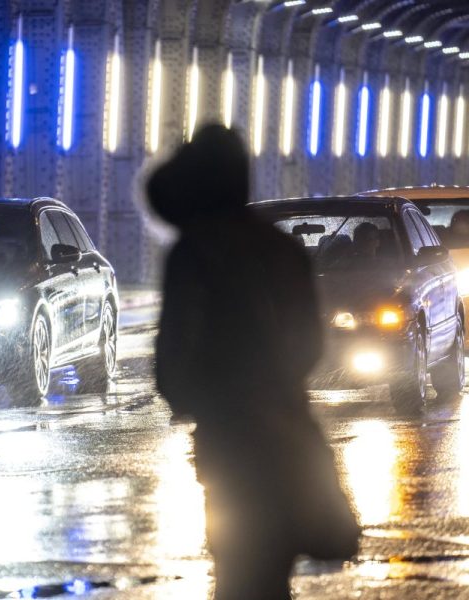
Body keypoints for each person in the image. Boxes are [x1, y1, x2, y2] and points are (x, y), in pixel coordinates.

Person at [146, 123, 360, 600]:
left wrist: (197, 397)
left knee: (238, 568)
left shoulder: (194, 251)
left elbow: (174, 352)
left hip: (227, 440)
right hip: (285, 431)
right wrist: (275, 383)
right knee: (273, 570)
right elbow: (310, 345)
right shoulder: (281, 248)